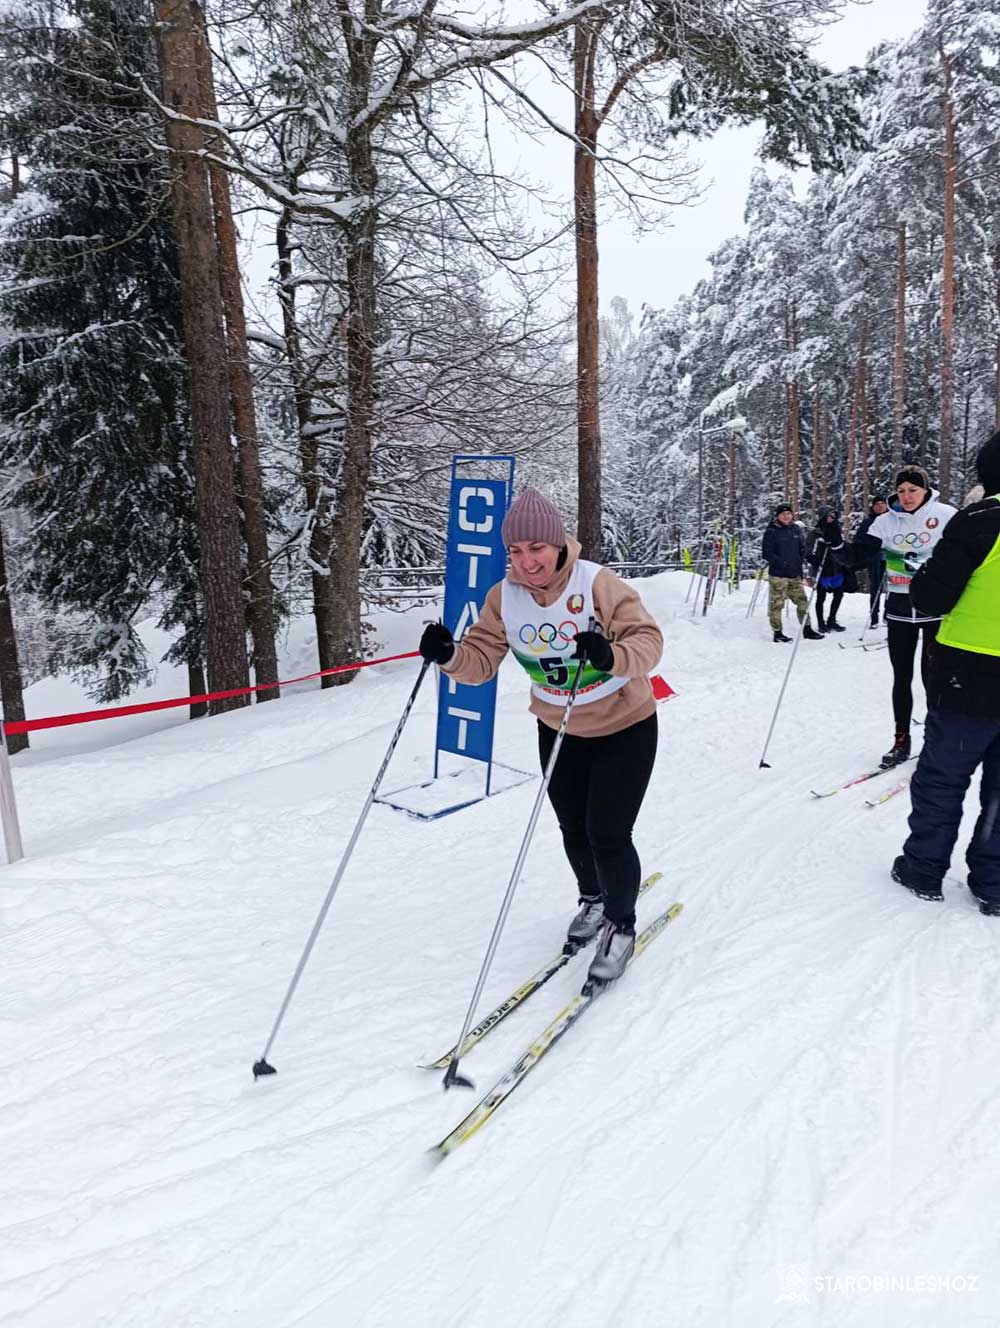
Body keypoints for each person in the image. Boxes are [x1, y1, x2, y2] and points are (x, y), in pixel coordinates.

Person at [418, 487, 663, 985]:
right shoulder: (503, 596)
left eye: (536, 549)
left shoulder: (596, 583)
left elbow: (648, 641)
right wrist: (447, 655)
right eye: (516, 551)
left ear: (557, 545)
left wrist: (611, 656)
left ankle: (621, 923)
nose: (527, 562)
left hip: (624, 724)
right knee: (573, 828)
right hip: (558, 725)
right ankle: (593, 899)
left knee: (607, 833)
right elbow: (481, 661)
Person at [889, 434, 1000, 913]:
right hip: (971, 671)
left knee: (944, 775)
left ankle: (924, 866)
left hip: (968, 672)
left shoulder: (978, 520)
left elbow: (931, 596)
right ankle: (993, 881)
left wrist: (923, 576)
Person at [854, 466, 956, 767]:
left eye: (913, 490)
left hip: (934, 610)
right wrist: (832, 543)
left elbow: (966, 552)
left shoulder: (947, 515)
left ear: (926, 491)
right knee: (902, 677)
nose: (907, 496)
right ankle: (901, 740)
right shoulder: (884, 522)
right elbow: (858, 556)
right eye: (901, 491)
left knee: (932, 677)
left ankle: (937, 740)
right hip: (899, 609)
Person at [761, 505, 823, 643]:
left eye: (789, 513)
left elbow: (802, 548)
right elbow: (767, 553)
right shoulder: (772, 531)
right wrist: (782, 562)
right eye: (783, 514)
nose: (786, 516)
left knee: (802, 602)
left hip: (794, 574)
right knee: (777, 604)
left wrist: (809, 558)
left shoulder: (795, 529)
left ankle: (807, 629)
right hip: (778, 574)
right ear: (777, 516)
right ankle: (778, 633)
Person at [806, 507, 847, 633]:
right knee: (821, 597)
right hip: (822, 569)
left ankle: (832, 620)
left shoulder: (836, 530)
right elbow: (808, 551)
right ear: (823, 516)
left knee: (839, 594)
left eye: (834, 516)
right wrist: (815, 560)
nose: (832, 519)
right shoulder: (815, 533)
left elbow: (841, 546)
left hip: (836, 567)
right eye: (830, 516)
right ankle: (821, 622)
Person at [854, 495, 889, 628]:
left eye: (882, 504)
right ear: (873, 507)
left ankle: (888, 615)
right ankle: (874, 617)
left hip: (891, 559)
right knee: (875, 588)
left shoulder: (892, 520)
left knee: (891, 589)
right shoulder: (868, 522)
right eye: (877, 504)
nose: (880, 506)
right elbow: (859, 540)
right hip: (874, 559)